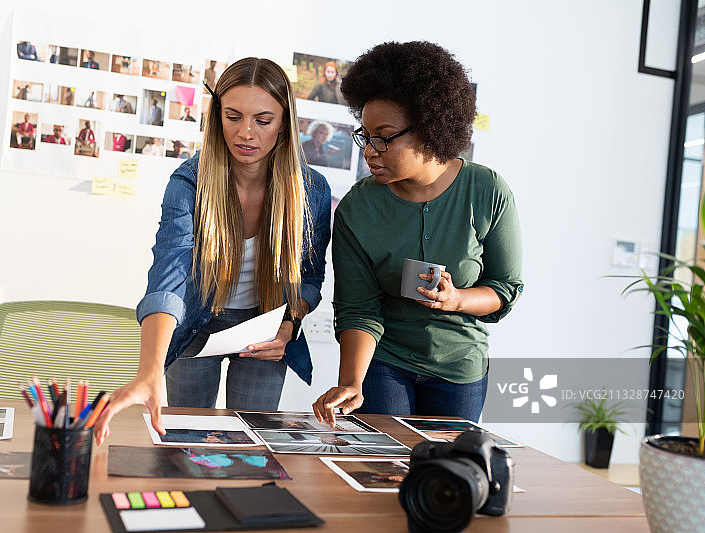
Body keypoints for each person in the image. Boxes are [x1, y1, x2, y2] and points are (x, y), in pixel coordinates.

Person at [94, 57, 331, 445]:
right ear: (216, 114)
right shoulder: (189, 182)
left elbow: (310, 277)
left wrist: (287, 328)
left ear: (285, 122)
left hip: (264, 331)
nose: (245, 133)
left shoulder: (312, 191)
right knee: (186, 442)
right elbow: (169, 273)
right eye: (233, 116)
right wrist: (149, 370)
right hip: (194, 327)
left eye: (263, 120)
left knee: (249, 446)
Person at [312, 41, 523, 426]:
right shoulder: (358, 209)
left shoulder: (487, 191)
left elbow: (504, 289)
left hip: (460, 368)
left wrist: (456, 299)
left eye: (385, 137)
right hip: (385, 362)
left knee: (447, 474)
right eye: (366, 135)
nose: (370, 151)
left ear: (428, 129)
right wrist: (351, 382)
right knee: (384, 469)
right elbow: (359, 308)